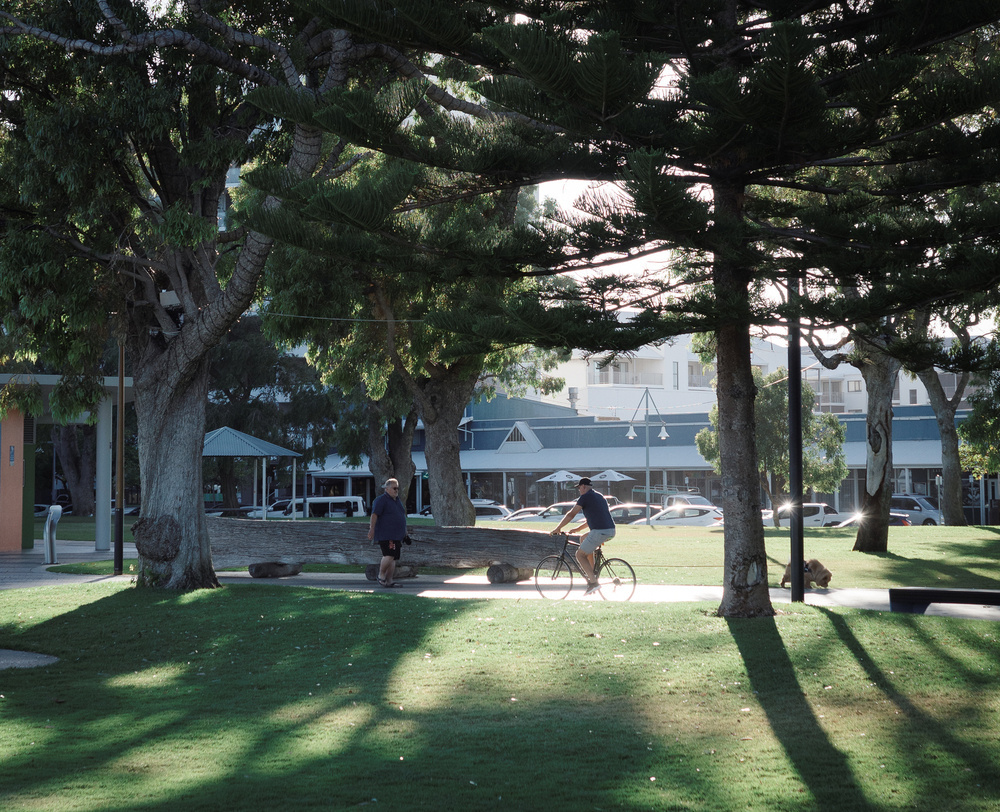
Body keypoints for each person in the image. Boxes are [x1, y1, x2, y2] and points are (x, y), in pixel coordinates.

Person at [550, 477, 616, 594]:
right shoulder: (600, 496)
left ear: (584, 486)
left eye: (579, 488)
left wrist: (558, 528)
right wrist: (577, 529)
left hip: (599, 531)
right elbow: (594, 518)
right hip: (610, 531)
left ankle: (593, 582)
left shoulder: (585, 497)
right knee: (583, 538)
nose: (579, 490)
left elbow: (571, 514)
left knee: (579, 555)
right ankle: (592, 573)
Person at [368, 478, 407, 588]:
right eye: (394, 488)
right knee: (389, 555)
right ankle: (381, 575)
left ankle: (389, 580)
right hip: (387, 534)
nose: (396, 490)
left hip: (397, 535)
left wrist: (405, 532)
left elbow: (401, 516)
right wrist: (372, 529)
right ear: (387, 489)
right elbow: (374, 515)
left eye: (397, 488)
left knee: (393, 557)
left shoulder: (397, 500)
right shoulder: (381, 500)